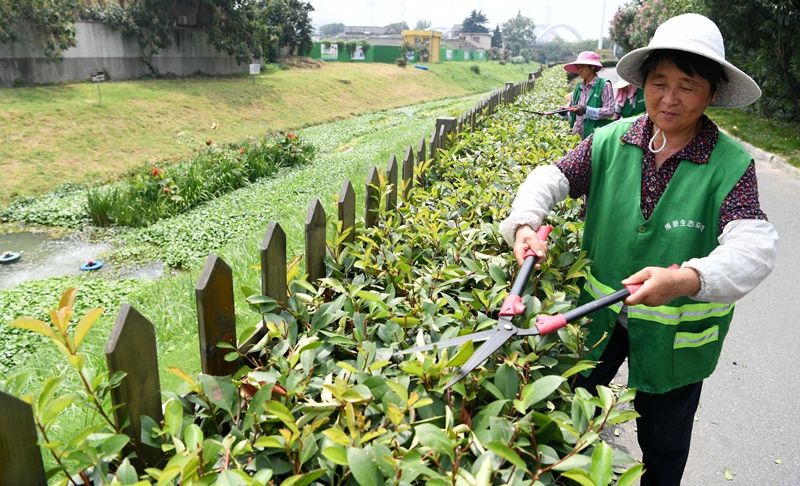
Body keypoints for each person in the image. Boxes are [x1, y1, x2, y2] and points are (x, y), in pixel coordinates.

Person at [499, 14, 777, 486]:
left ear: (712, 93)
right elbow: (551, 179)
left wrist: (687, 279)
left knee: (664, 447)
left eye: (687, 86)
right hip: (597, 320)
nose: (669, 98)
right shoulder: (609, 141)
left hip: (677, 340)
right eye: (659, 82)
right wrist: (526, 222)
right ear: (642, 84)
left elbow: (753, 248)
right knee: (566, 423)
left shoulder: (731, 165)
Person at [563, 51, 615, 139]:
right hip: (576, 136)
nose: (580, 70)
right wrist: (564, 111)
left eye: (582, 67)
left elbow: (610, 111)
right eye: (578, 68)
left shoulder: (604, 85)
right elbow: (571, 109)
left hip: (595, 136)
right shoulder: (578, 88)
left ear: (593, 66)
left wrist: (586, 110)